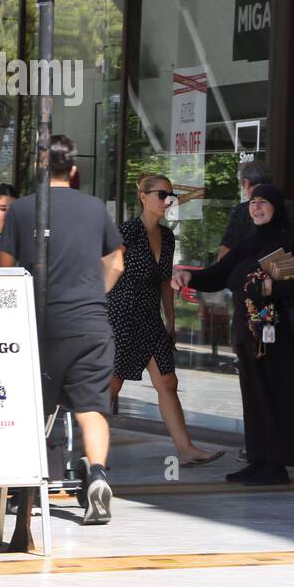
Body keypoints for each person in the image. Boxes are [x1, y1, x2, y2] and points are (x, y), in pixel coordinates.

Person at [0, 135, 124, 531]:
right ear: (72, 171)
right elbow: (117, 263)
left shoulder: (21, 210)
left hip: (43, 324)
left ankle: (27, 485)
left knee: (36, 408)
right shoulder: (94, 208)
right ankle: (99, 475)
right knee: (91, 408)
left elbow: (5, 271)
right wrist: (92, 294)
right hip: (92, 323)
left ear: (40, 167)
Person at [173, 183, 294, 486]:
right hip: (250, 334)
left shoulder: (291, 240)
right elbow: (220, 274)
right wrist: (191, 277)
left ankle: (276, 465)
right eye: (253, 202)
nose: (256, 207)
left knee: (280, 397)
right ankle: (258, 459)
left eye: (264, 202)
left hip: (280, 337)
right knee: (254, 399)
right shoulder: (250, 241)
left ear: (277, 207)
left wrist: (272, 288)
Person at [108, 174, 223, 467]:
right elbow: (106, 269)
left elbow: (164, 283)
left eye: (171, 196)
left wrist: (171, 322)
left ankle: (186, 449)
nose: (167, 201)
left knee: (168, 381)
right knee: (112, 384)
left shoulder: (168, 236)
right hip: (121, 313)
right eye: (162, 195)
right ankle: (92, 453)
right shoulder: (127, 231)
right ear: (143, 197)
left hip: (149, 315)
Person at [218, 161, 294, 261]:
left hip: (255, 272)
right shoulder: (293, 208)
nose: (256, 207)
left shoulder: (243, 210)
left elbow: (227, 250)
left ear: (246, 183)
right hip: (290, 269)